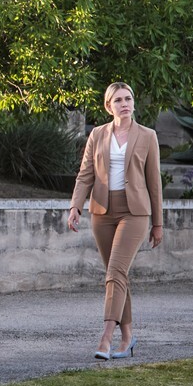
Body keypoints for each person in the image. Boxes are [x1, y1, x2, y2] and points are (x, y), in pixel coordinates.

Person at [66, 82, 164, 360]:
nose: (124, 103)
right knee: (117, 276)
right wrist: (76, 206)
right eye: (118, 100)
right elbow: (86, 174)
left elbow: (154, 182)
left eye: (128, 98)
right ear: (109, 106)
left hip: (135, 212)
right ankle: (129, 337)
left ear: (134, 103)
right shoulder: (97, 135)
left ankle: (106, 338)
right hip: (102, 212)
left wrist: (158, 223)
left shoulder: (148, 136)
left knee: (115, 273)